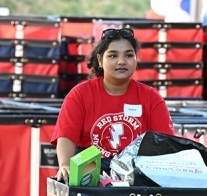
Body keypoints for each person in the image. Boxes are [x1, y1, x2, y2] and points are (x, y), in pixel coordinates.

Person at [51, 27, 175, 182]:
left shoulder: (151, 97)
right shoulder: (80, 94)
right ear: (100, 60)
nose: (121, 61)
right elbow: (66, 136)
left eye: (129, 55)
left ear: (136, 60)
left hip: (136, 178)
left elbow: (166, 144)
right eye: (113, 55)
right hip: (91, 177)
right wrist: (64, 165)